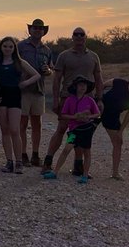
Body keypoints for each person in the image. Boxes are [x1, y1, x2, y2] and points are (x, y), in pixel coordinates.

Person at [44, 27, 103, 174]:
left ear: (85, 37)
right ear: (72, 37)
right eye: (76, 34)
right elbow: (57, 79)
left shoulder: (94, 56)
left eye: (81, 34)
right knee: (61, 129)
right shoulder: (64, 56)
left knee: (81, 131)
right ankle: (48, 161)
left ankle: (78, 165)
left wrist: (99, 98)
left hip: (87, 99)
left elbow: (98, 78)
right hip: (68, 98)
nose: (79, 37)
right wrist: (56, 100)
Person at [0, 36, 43, 173]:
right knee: (4, 130)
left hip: (15, 96)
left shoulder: (19, 62)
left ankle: (19, 162)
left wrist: (25, 83)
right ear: (1, 47)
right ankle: (9, 162)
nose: (7, 49)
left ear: (14, 48)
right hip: (0, 97)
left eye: (10, 47)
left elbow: (36, 75)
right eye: (5, 46)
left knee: (14, 129)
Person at [17, 18, 56, 168]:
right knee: (22, 123)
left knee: (37, 124)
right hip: (23, 90)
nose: (37, 30)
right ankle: (22, 154)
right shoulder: (20, 47)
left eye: (40, 29)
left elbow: (51, 69)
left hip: (39, 90)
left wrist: (49, 71)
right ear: (30, 30)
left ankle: (35, 154)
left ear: (43, 31)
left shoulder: (46, 50)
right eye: (35, 28)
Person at [47, 75, 100, 183]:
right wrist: (75, 117)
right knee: (67, 149)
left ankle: (85, 176)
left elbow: (98, 113)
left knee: (87, 152)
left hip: (86, 130)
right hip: (74, 130)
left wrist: (88, 117)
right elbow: (63, 115)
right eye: (80, 85)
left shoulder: (90, 100)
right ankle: (55, 172)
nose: (83, 87)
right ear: (75, 87)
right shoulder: (70, 100)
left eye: (84, 85)